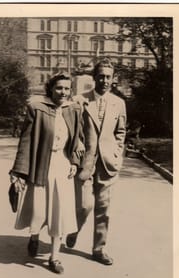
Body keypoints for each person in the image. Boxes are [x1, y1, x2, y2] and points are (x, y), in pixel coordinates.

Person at [9, 72, 83, 274]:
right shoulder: (37, 108)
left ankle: (54, 257)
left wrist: (75, 162)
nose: (63, 92)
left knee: (58, 211)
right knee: (39, 209)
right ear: (50, 88)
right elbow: (26, 141)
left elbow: (78, 140)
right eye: (59, 88)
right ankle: (34, 237)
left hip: (63, 165)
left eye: (67, 88)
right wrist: (18, 171)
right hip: (42, 164)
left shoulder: (74, 110)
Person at [67, 58, 127, 265]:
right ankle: (74, 230)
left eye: (108, 77)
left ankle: (98, 249)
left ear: (113, 79)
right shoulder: (79, 99)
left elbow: (121, 131)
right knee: (85, 205)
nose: (104, 80)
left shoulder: (119, 103)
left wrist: (118, 153)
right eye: (101, 76)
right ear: (94, 78)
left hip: (108, 162)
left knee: (104, 208)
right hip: (85, 161)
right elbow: (72, 128)